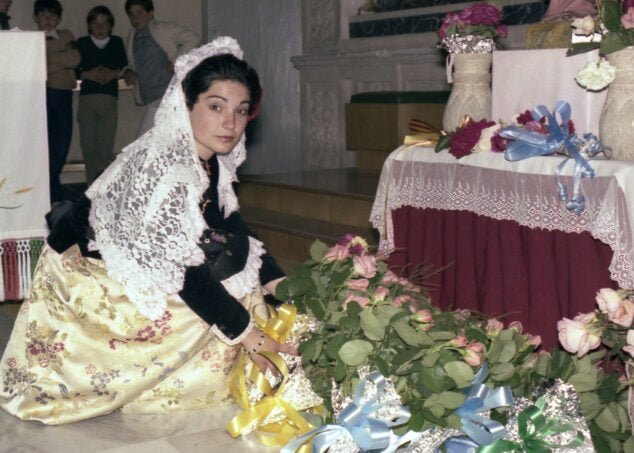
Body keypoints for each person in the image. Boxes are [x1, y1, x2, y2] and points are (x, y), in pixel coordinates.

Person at [0, 37, 294, 424]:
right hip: (82, 276)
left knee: (242, 278)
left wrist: (285, 287)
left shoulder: (208, 159)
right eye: (216, 107)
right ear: (186, 104)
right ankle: (155, 381)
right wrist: (252, 338)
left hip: (145, 261)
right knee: (207, 308)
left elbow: (230, 227)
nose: (230, 123)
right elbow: (185, 275)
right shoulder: (166, 167)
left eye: (241, 111)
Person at [122, 0, 200, 138]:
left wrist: (176, 61)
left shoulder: (162, 29)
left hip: (168, 95)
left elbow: (193, 39)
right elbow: (133, 64)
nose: (135, 18)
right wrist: (128, 72)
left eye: (139, 13)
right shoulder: (132, 36)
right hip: (151, 97)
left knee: (143, 142)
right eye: (131, 14)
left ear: (150, 13)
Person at [33, 0, 80, 202]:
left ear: (59, 19)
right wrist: (59, 57)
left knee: (61, 145)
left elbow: (75, 59)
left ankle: (50, 188)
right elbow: (33, 67)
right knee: (43, 146)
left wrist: (46, 61)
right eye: (43, 15)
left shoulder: (66, 35)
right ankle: (50, 190)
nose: (48, 20)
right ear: (36, 18)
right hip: (41, 96)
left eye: (52, 16)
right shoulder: (30, 40)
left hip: (63, 96)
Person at [75, 6, 128, 184]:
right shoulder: (81, 43)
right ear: (89, 26)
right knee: (88, 147)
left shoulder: (116, 43)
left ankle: (104, 189)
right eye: (95, 24)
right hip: (87, 101)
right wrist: (87, 74)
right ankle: (90, 188)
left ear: (111, 26)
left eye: (104, 23)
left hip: (109, 100)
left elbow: (123, 66)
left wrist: (112, 73)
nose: (100, 28)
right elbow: (74, 70)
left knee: (105, 149)